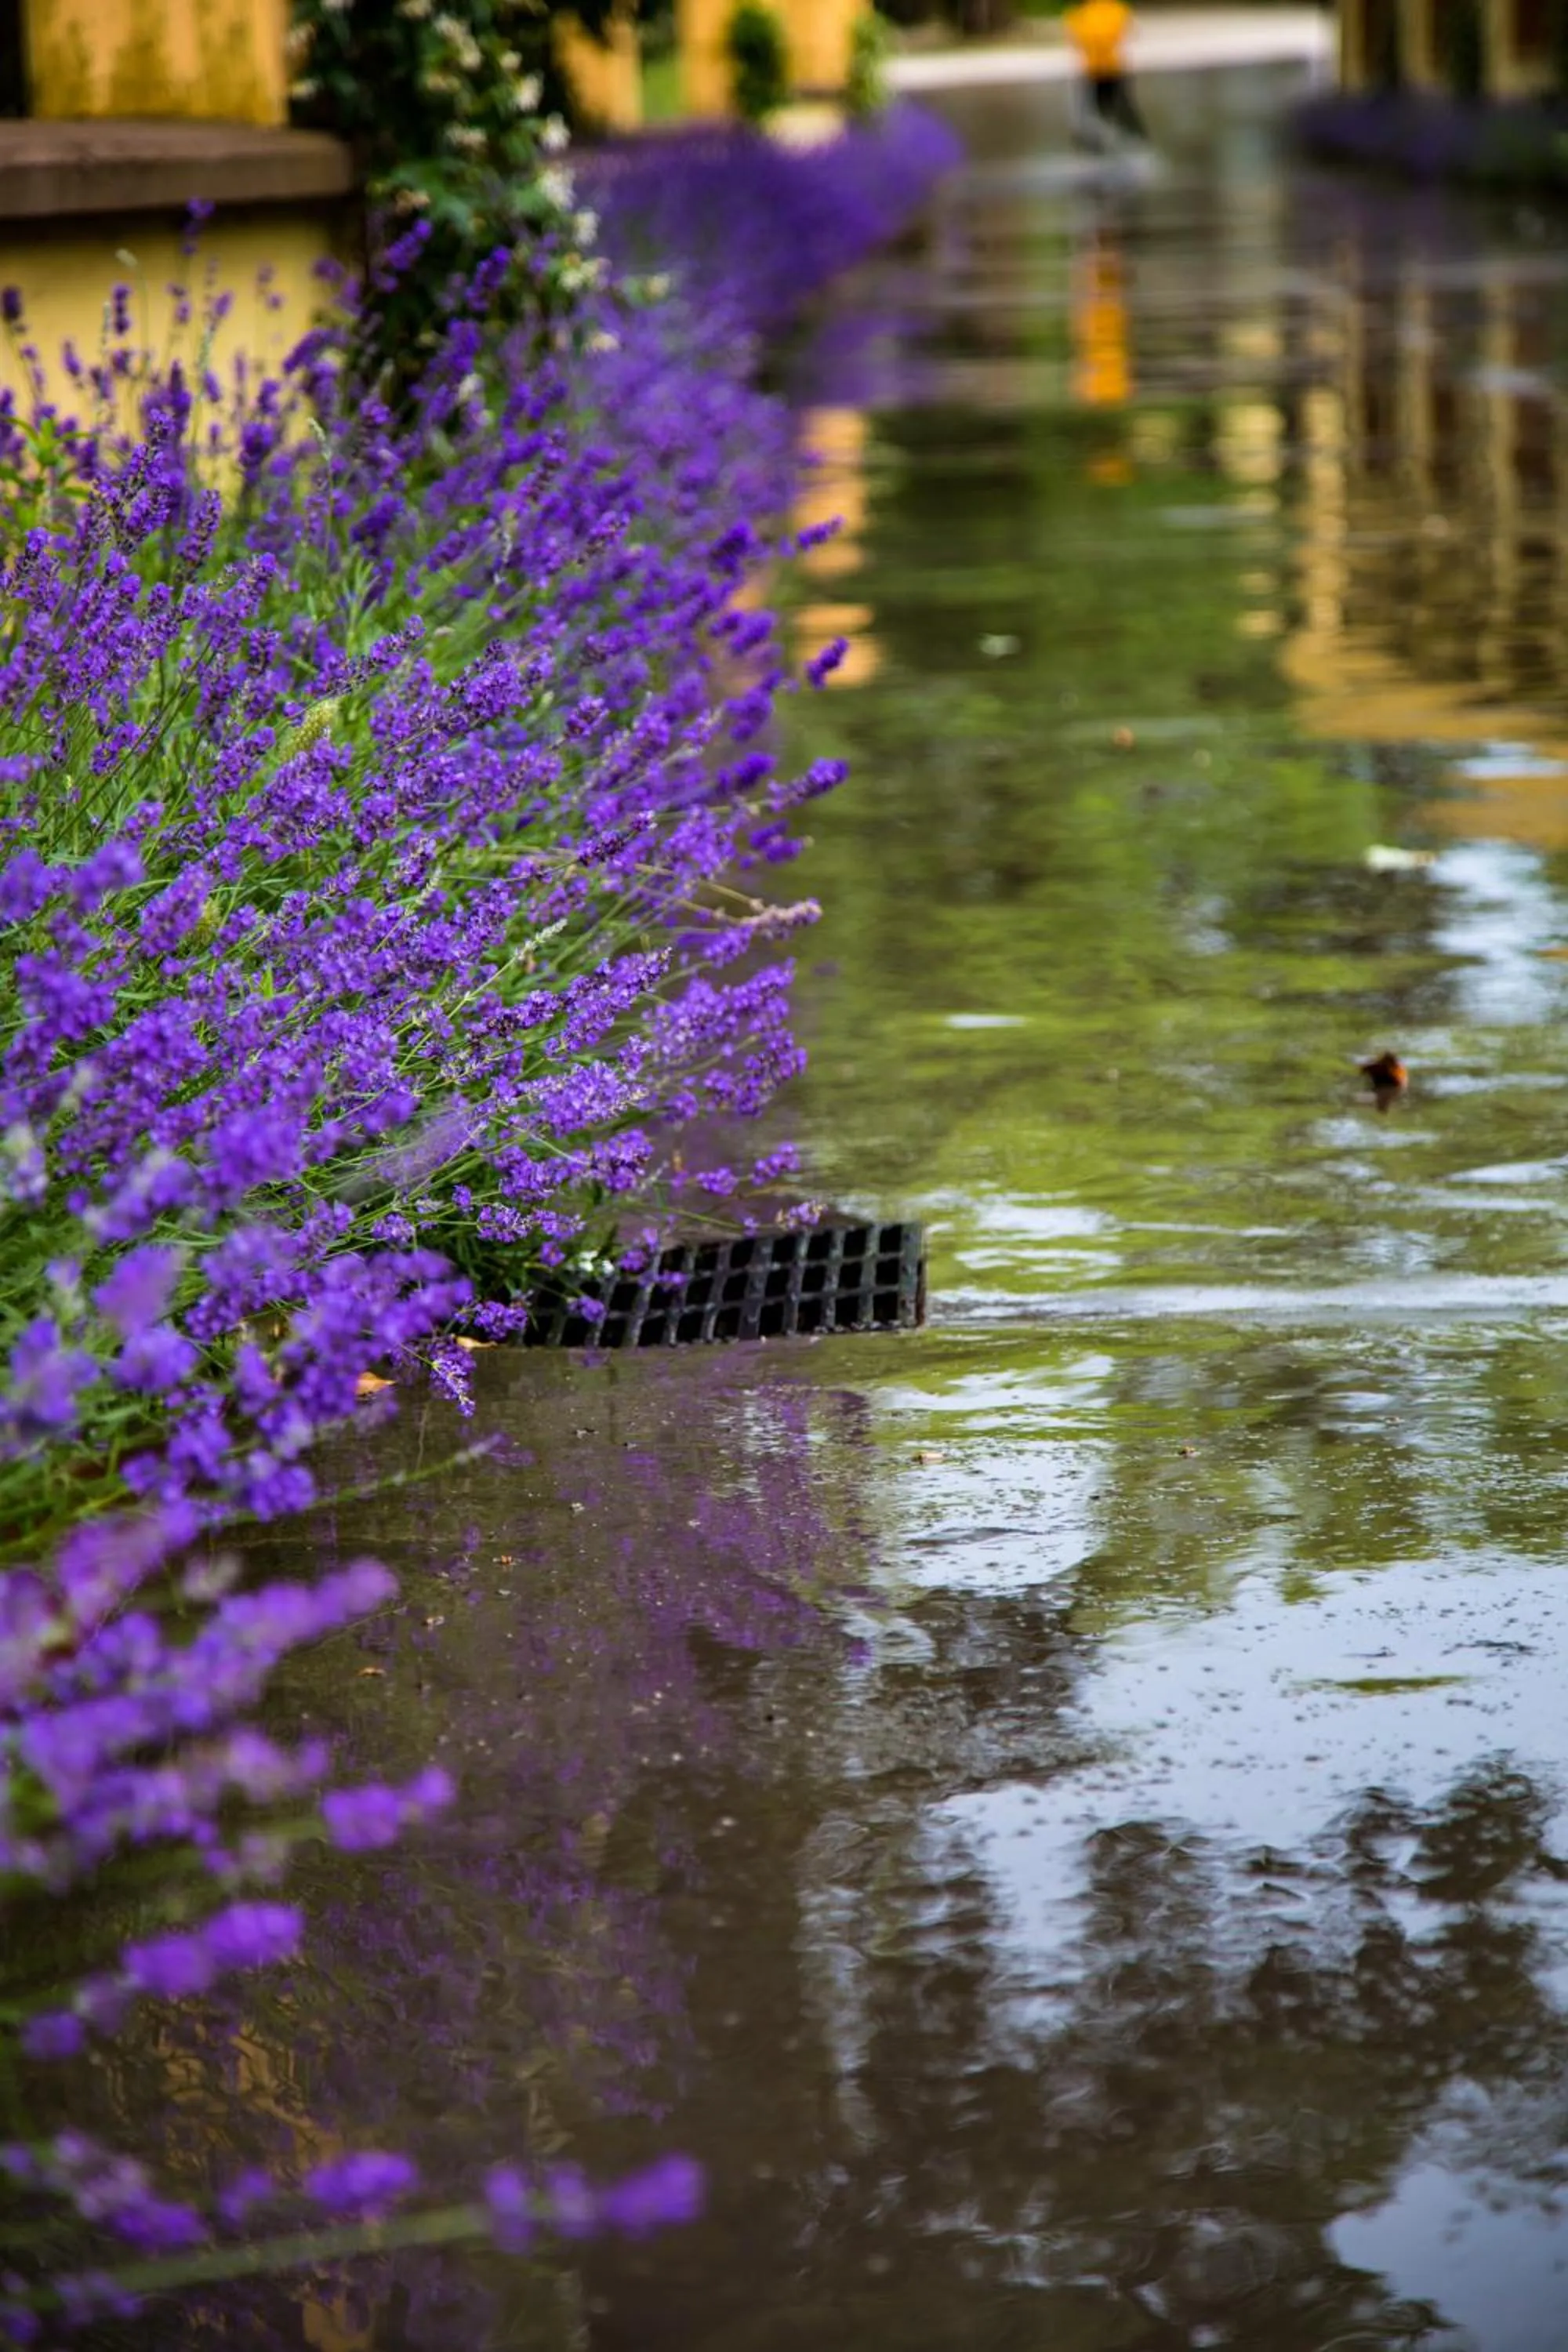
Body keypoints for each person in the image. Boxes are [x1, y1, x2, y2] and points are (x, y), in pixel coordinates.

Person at [1062, 0, 1149, 147]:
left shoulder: (1081, 14)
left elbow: (1075, 39)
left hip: (1098, 69)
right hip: (1106, 68)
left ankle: (1117, 141)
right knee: (1114, 109)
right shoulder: (1114, 10)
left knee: (1100, 110)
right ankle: (1132, 140)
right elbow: (1128, 32)